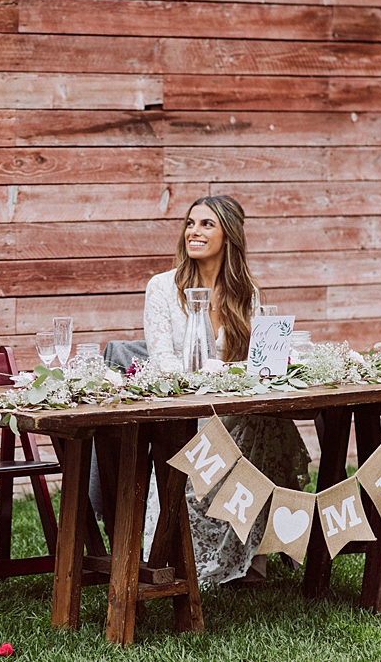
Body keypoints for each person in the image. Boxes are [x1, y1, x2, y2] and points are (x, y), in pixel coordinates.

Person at [142, 195, 311, 585]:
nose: (193, 232)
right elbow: (164, 364)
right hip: (187, 417)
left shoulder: (244, 291)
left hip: (234, 412)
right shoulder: (163, 288)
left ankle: (255, 552)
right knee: (264, 427)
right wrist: (219, 374)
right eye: (190, 223)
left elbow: (258, 363)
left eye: (206, 224)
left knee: (269, 423)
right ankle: (245, 556)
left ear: (229, 235)